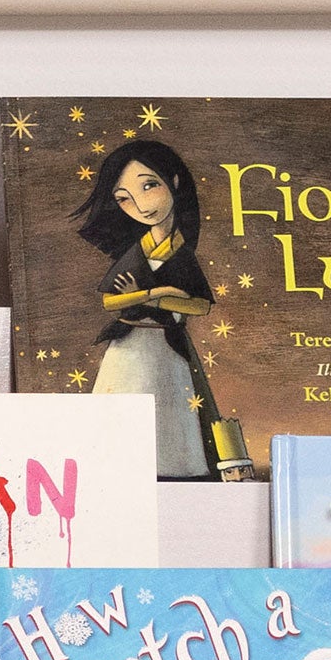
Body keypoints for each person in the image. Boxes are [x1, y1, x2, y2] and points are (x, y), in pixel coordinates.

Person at [77, 132, 241, 482]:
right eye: (124, 199)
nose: (140, 205)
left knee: (171, 417)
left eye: (149, 186)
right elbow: (110, 301)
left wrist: (155, 293)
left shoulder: (182, 252)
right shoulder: (134, 252)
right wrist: (155, 293)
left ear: (175, 181)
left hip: (168, 349)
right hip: (128, 347)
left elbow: (199, 306)